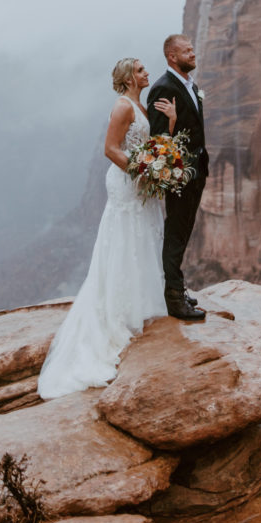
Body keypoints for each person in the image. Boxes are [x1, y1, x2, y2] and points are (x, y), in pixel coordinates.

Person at [37, 57, 176, 399]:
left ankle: (140, 304)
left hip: (141, 183)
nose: (147, 73)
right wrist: (141, 171)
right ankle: (118, 311)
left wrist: (170, 125)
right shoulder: (121, 108)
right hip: (127, 184)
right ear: (130, 77)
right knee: (125, 242)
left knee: (143, 240)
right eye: (141, 70)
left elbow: (155, 145)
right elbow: (110, 149)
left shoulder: (139, 106)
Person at [147, 34, 208, 321]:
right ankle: (174, 299)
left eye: (192, 49)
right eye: (187, 51)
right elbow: (158, 142)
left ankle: (177, 287)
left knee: (183, 233)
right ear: (172, 56)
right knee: (175, 235)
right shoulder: (163, 89)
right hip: (180, 176)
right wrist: (177, 173)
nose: (193, 54)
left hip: (195, 173)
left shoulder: (189, 85)